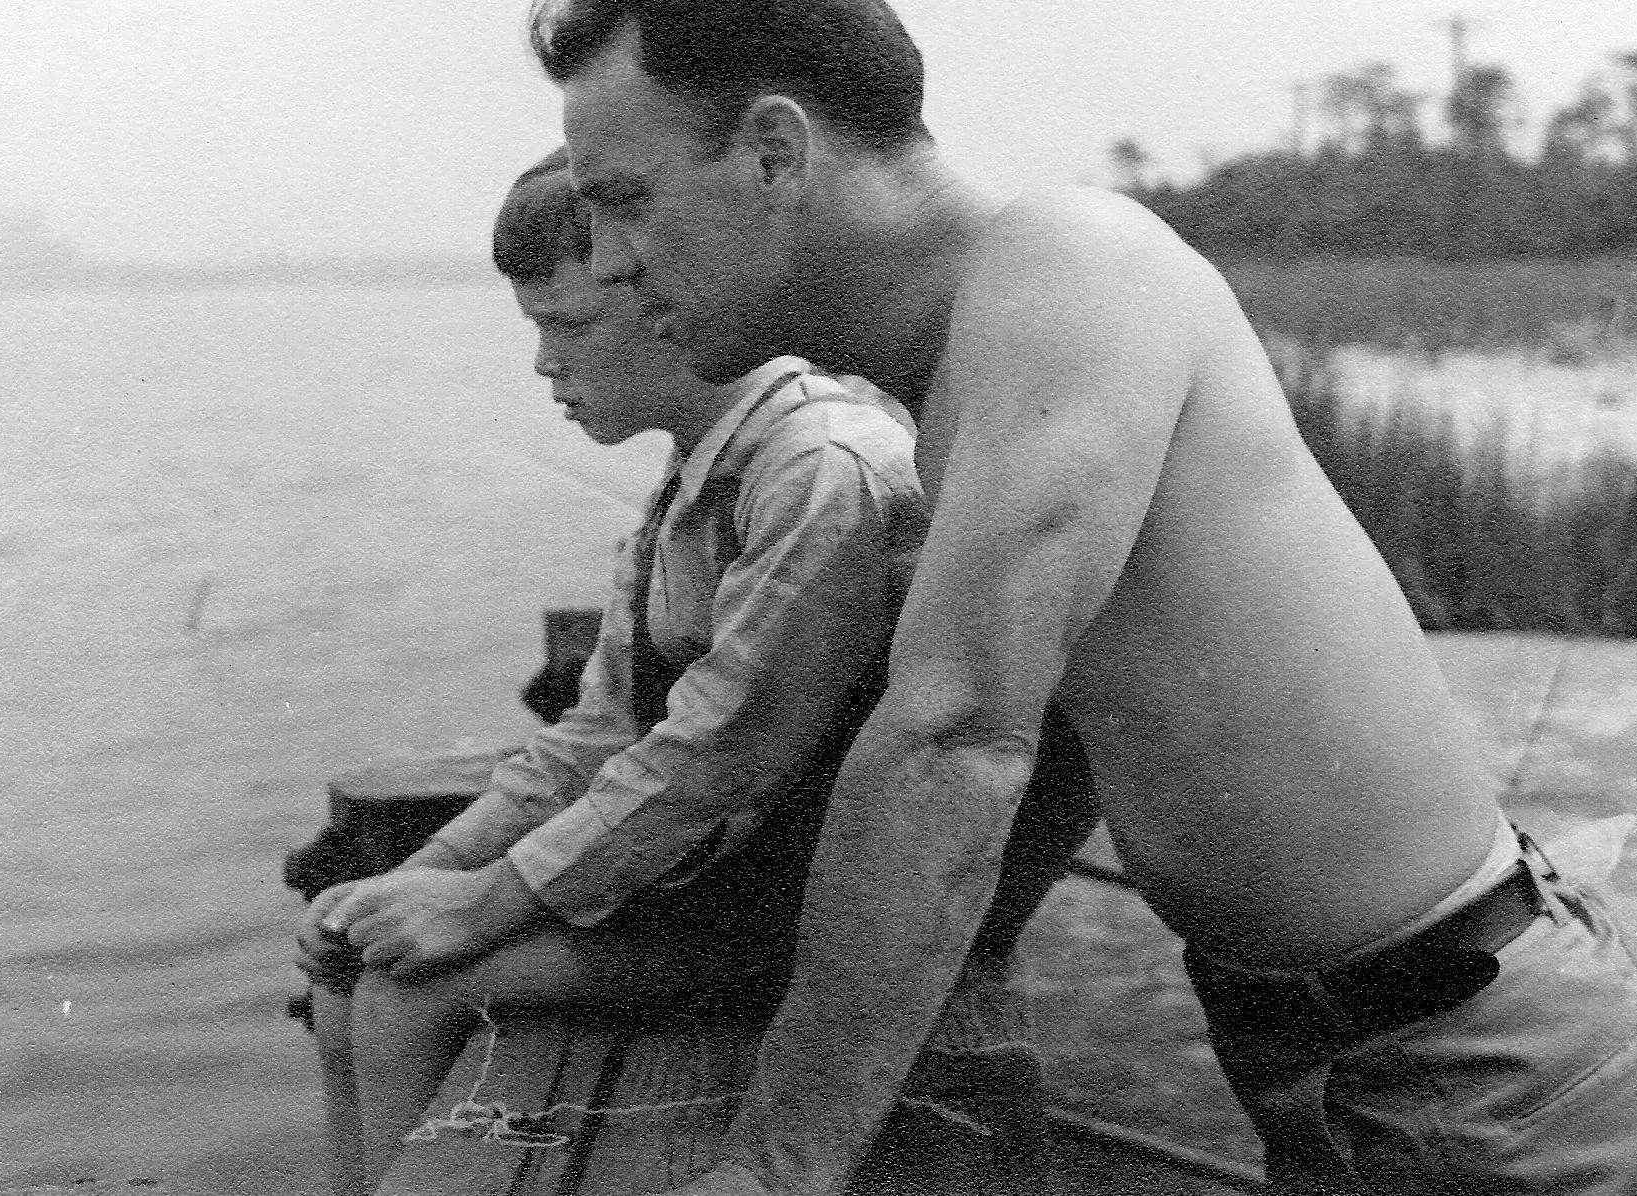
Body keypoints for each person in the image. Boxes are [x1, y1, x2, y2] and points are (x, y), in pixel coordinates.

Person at [526, 0, 1637, 1196]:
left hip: (1491, 1077)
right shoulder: (954, 375)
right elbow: (1056, 747)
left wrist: (776, 1167)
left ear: (776, 152)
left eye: (624, 202)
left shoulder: (1069, 265)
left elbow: (956, 737)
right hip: (1350, 1073)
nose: (610, 261)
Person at [294, 152, 1093, 1194]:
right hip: (732, 888)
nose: (543, 363)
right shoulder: (703, 470)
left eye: (567, 326)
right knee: (359, 966)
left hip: (821, 921)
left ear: (664, 300)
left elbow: (718, 757)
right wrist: (429, 875)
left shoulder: (821, 471)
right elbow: (596, 732)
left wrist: (487, 903)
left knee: (406, 991)